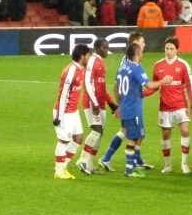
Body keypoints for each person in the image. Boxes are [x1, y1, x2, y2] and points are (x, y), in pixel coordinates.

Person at [107, 43, 172, 178]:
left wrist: (121, 105)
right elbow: (149, 85)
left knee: (137, 136)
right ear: (137, 54)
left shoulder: (123, 67)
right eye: (141, 52)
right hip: (133, 109)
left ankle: (131, 168)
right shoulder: (136, 68)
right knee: (133, 138)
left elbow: (116, 87)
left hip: (126, 108)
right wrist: (164, 81)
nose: (142, 55)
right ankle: (130, 170)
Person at [145, 37, 192, 174]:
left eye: (171, 49)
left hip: (180, 105)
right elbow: (155, 86)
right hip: (165, 106)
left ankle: (184, 163)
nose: (168, 51)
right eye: (166, 48)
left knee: (185, 130)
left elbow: (190, 86)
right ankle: (167, 165)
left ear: (177, 50)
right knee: (166, 134)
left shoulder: (183, 65)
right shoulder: (158, 65)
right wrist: (142, 93)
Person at [52, 44, 93, 179]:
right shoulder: (70, 71)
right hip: (64, 112)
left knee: (78, 138)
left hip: (73, 111)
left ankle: (64, 168)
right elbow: (63, 94)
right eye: (88, 55)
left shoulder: (82, 69)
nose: (89, 57)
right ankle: (58, 172)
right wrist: (59, 115)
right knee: (64, 141)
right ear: (82, 56)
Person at [77, 39, 117, 175]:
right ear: (97, 48)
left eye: (108, 48)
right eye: (105, 48)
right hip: (91, 102)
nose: (107, 51)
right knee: (97, 130)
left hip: (100, 103)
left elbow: (102, 87)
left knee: (100, 132)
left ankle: (90, 164)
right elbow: (87, 82)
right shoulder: (93, 60)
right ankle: (82, 160)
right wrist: (94, 102)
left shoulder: (100, 63)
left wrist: (111, 103)